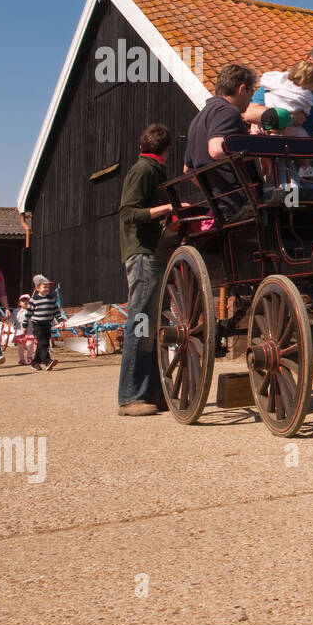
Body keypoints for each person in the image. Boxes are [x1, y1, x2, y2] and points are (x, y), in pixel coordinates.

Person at [118, 123, 181, 416]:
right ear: (166, 149)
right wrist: (167, 209)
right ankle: (130, 397)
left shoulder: (152, 169)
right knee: (140, 324)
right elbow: (129, 212)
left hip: (151, 254)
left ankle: (152, 393)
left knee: (151, 328)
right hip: (142, 255)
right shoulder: (144, 170)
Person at [185, 63, 260, 220]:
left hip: (222, 207)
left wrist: (213, 195)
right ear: (241, 89)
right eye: (251, 92)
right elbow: (216, 150)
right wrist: (258, 152)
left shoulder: (197, 119)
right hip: (242, 204)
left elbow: (188, 170)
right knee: (290, 198)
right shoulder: (228, 111)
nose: (251, 98)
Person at [247, 44, 313, 139]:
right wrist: (290, 118)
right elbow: (251, 114)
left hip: (295, 154)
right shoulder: (280, 82)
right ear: (310, 62)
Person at [253, 61, 313, 138]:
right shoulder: (304, 96)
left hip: (264, 122)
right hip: (286, 127)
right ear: (307, 82)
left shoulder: (279, 83)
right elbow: (305, 113)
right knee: (304, 136)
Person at [26, 274, 66, 371]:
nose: (47, 289)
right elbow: (28, 313)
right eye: (44, 287)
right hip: (37, 324)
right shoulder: (34, 300)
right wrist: (24, 325)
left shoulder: (51, 298)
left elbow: (56, 311)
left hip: (47, 324)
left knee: (44, 343)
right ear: (38, 288)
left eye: (48, 287)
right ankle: (47, 361)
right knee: (42, 342)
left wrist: (60, 320)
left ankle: (34, 362)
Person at [13, 294, 34, 365]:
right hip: (20, 331)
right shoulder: (16, 311)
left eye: (27, 300)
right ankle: (21, 359)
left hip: (30, 331)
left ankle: (30, 357)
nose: (25, 302)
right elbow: (14, 320)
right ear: (19, 303)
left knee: (30, 344)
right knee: (20, 346)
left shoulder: (32, 310)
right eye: (23, 301)